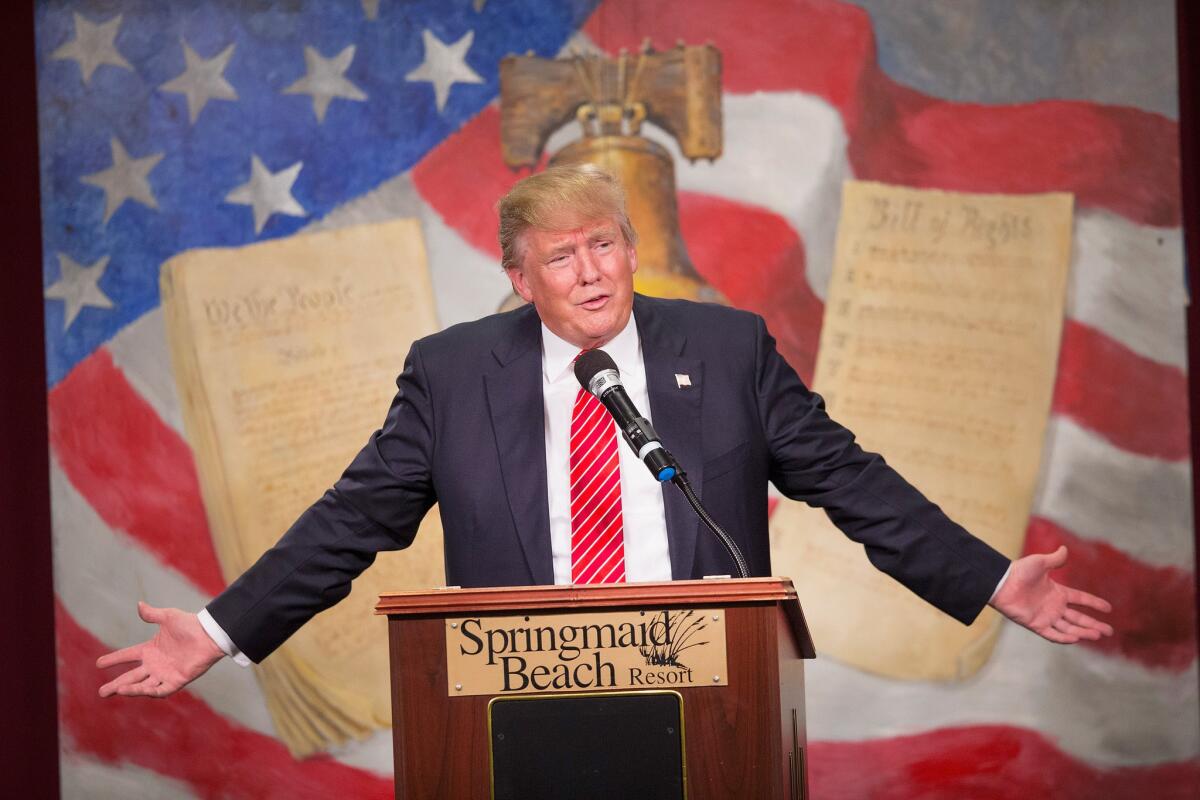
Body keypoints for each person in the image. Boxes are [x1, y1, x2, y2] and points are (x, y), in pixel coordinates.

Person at [98, 164, 1112, 699]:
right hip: (517, 699)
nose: (588, 272)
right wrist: (221, 627)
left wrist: (986, 576)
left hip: (711, 686)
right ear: (518, 275)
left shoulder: (726, 349)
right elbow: (352, 517)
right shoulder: (453, 374)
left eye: (602, 244)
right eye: (558, 256)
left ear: (632, 249)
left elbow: (851, 480)